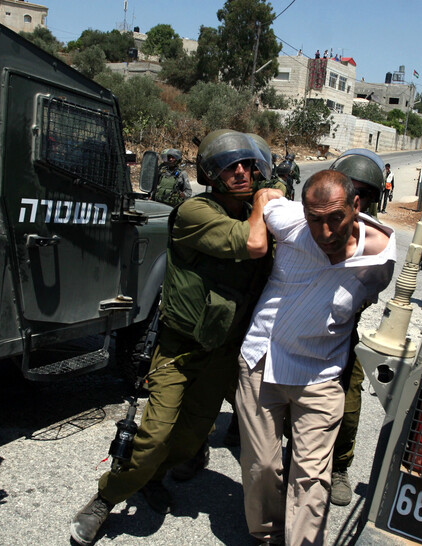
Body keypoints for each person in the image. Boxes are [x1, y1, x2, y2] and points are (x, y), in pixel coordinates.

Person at [70, 130, 283, 546]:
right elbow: (254, 245)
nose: (242, 172)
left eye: (247, 165)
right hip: (180, 349)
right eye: (229, 166)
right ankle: (104, 498)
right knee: (152, 438)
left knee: (189, 439)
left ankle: (155, 476)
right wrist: (262, 202)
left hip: (222, 352)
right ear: (210, 174)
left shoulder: (254, 213)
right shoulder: (194, 212)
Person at [236, 170, 396, 545]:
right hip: (263, 361)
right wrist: (257, 232)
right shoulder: (291, 220)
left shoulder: (381, 255)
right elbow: (264, 197)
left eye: (335, 218)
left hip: (321, 376)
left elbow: (367, 298)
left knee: (311, 478)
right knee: (261, 467)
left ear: (356, 206)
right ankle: (267, 536)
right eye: (315, 220)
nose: (324, 233)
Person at [325, 150, 386, 507]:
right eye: (351, 190)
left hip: (342, 337)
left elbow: (368, 294)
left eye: (365, 193)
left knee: (347, 409)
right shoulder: (313, 222)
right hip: (296, 332)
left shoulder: (373, 242)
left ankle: (339, 467)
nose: (357, 200)